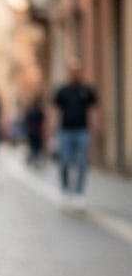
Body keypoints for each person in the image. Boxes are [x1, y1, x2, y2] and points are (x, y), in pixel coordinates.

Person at [53, 59, 98, 209]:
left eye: (77, 71)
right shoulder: (62, 91)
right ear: (68, 72)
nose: (75, 73)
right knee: (64, 162)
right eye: (72, 71)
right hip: (65, 131)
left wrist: (94, 127)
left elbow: (93, 110)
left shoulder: (87, 90)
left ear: (81, 72)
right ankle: (65, 191)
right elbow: (55, 110)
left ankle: (79, 194)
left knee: (81, 163)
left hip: (82, 131)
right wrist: (53, 130)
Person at [24, 95, 45, 167]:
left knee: (33, 146)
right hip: (36, 131)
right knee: (36, 146)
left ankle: (33, 158)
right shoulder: (39, 111)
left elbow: (26, 121)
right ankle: (34, 158)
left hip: (33, 131)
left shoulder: (32, 111)